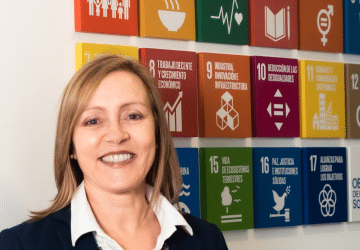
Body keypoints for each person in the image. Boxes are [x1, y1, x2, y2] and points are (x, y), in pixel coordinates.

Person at [0, 54, 228, 250]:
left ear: (157, 133)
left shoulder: (208, 240)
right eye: (93, 121)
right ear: (71, 146)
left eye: (133, 116)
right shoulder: (18, 245)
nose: (116, 135)